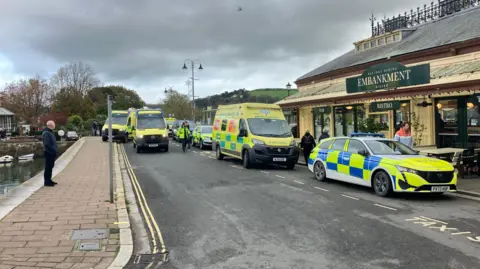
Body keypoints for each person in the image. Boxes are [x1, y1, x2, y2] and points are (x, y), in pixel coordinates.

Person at [42, 120, 58, 187]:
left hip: (52, 153)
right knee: (48, 167)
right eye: (54, 124)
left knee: (50, 167)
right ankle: (47, 182)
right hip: (49, 153)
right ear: (51, 125)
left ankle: (49, 180)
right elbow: (47, 144)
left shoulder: (50, 132)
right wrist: (54, 150)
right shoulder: (46, 133)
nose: (55, 125)